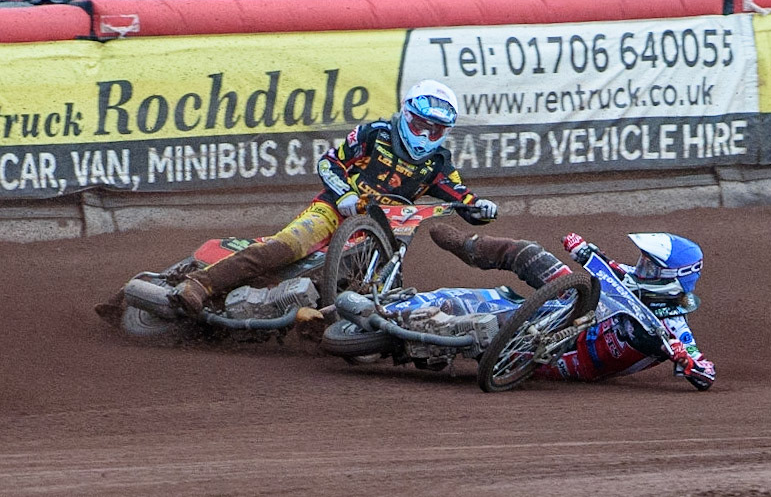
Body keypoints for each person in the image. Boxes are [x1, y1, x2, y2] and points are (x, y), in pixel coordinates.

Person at [171, 80, 498, 316]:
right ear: (406, 114)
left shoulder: (438, 163)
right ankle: (200, 284)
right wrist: (345, 193)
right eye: (419, 126)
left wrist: (480, 208)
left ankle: (320, 319)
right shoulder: (375, 134)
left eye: (435, 131)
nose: (425, 136)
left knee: (370, 283)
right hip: (333, 212)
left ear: (445, 132)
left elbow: (462, 197)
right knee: (285, 248)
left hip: (379, 233)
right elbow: (329, 162)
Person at [428, 224, 716, 390]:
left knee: (489, 326)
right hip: (578, 304)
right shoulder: (635, 278)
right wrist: (583, 250)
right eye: (643, 262)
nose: (641, 268)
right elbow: (612, 269)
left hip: (567, 357)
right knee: (528, 253)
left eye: (650, 267)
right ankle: (469, 246)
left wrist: (686, 360)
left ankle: (437, 339)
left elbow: (706, 375)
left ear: (670, 279)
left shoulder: (674, 327)